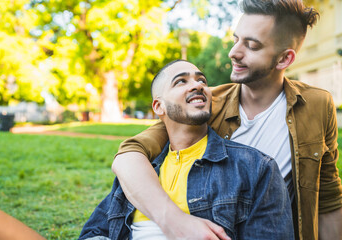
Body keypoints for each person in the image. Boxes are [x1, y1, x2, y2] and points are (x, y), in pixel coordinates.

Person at [111, 1, 342, 240]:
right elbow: (129, 155)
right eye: (235, 40)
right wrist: (174, 221)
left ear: (284, 59)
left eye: (251, 46)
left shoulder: (317, 105)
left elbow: (328, 197)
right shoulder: (207, 104)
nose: (234, 52)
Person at [79, 60, 294, 240]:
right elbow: (94, 232)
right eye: (181, 81)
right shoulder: (141, 171)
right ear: (158, 107)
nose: (198, 85)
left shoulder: (254, 168)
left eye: (202, 80)